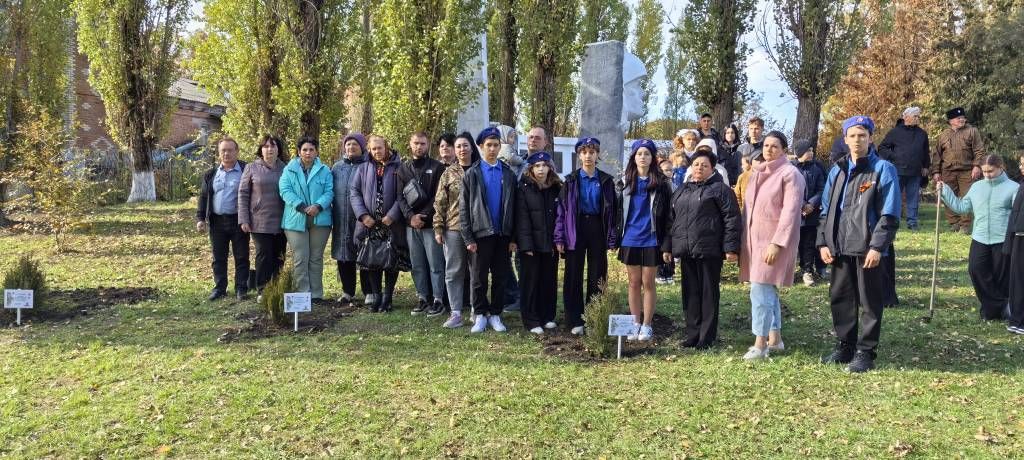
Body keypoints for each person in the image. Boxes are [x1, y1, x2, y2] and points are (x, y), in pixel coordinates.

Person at [818, 116, 901, 373]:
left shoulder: (883, 169)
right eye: (852, 135)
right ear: (845, 139)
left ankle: (865, 352)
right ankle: (845, 346)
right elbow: (825, 210)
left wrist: (877, 247)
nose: (857, 140)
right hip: (839, 247)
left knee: (870, 302)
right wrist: (823, 242)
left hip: (867, 248)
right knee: (841, 298)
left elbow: (889, 213)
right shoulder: (837, 170)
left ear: (870, 138)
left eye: (862, 135)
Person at [664, 149, 741, 348]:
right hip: (686, 249)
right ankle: (693, 334)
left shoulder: (720, 190)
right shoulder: (682, 190)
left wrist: (731, 248)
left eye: (704, 165)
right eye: (696, 164)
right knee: (690, 293)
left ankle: (706, 337)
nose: (699, 168)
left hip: (709, 250)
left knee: (708, 293)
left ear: (712, 169)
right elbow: (671, 220)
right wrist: (668, 247)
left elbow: (732, 219)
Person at [739, 131, 805, 360]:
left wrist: (777, 243)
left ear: (784, 149)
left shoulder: (790, 174)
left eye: (774, 146)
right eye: (766, 145)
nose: (769, 149)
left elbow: (791, 212)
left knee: (760, 291)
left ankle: (760, 344)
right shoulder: (758, 172)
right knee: (767, 290)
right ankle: (775, 339)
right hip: (753, 241)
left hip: (773, 242)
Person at [938, 154, 1018, 321]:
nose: (987, 175)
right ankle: (1001, 306)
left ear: (1001, 168)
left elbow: (1018, 214)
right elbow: (961, 207)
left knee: (1000, 276)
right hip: (980, 237)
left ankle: (993, 311)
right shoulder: (976, 187)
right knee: (975, 270)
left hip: (1003, 239)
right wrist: (945, 191)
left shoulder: (1013, 188)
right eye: (984, 171)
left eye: (991, 171)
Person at [555, 137, 618, 335]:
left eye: (592, 152)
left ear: (597, 154)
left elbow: (612, 211)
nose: (588, 156)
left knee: (597, 274)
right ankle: (575, 320)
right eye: (584, 152)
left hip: (597, 228)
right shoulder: (570, 180)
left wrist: (612, 236)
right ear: (579, 155)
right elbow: (562, 210)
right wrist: (559, 237)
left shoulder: (606, 181)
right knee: (573, 274)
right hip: (576, 227)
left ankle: (593, 318)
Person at [461, 127, 517, 333]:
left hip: (502, 234)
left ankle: (495, 314)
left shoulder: (508, 173)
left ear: (500, 147)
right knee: (478, 278)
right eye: (488, 145)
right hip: (480, 234)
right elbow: (464, 209)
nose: (492, 149)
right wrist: (468, 237)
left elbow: (515, 207)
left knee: (501, 276)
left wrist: (513, 237)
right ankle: (480, 314)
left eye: (496, 145)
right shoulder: (472, 173)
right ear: (481, 147)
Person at [618, 139, 672, 341]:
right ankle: (635, 323)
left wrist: (667, 244)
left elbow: (669, 216)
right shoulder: (624, 182)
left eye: (647, 154)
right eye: (639, 154)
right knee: (633, 282)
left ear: (652, 158)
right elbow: (616, 212)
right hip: (630, 238)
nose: (643, 157)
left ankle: (647, 325)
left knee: (648, 282)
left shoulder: (662, 184)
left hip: (651, 239)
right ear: (634, 157)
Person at [351, 135, 407, 312]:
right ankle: (376, 297)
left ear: (386, 147)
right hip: (370, 223)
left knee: (391, 260)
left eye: (380, 148)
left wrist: (393, 215)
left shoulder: (399, 167)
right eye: (373, 149)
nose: (377, 151)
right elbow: (354, 192)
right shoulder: (363, 168)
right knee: (372, 259)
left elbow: (403, 194)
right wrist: (363, 215)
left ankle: (388, 298)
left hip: (391, 223)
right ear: (369, 149)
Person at [398, 132, 448, 317]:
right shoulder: (403, 169)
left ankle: (438, 299)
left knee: (435, 264)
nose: (419, 147)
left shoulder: (437, 167)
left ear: (428, 145)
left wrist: (423, 216)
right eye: (416, 143)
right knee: (417, 263)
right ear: (410, 144)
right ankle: (422, 297)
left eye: (422, 143)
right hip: (411, 225)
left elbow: (438, 196)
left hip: (430, 225)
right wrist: (411, 217)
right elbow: (400, 197)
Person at [433, 132, 480, 328]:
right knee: (453, 271)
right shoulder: (448, 173)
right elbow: (440, 202)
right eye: (458, 146)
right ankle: (456, 312)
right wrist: (438, 227)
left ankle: (477, 310)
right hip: (453, 228)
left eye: (465, 145)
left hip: (478, 229)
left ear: (472, 148)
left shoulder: (480, 170)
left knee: (476, 271)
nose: (462, 149)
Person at [279, 136, 334, 301]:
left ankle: (316, 295)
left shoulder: (325, 170)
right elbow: (285, 190)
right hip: (295, 219)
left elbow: (329, 191)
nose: (308, 153)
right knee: (300, 257)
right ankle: (302, 296)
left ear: (316, 152)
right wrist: (302, 207)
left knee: (316, 257)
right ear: (299, 151)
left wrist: (318, 206)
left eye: (311, 149)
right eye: (304, 150)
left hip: (320, 218)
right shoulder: (289, 170)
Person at [515, 151, 563, 334]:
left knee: (548, 281)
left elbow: (560, 216)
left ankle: (547, 316)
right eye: (537, 166)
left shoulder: (556, 188)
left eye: (544, 165)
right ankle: (531, 319)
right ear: (531, 169)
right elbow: (522, 218)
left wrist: (558, 240)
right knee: (530, 282)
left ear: (550, 168)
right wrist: (526, 245)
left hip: (550, 244)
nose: (541, 169)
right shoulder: (524, 188)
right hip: (531, 245)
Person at [197, 137, 250, 301]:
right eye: (223, 150)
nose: (226, 153)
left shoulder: (246, 170)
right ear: (219, 153)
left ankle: (241, 288)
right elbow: (203, 197)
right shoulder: (211, 174)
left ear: (237, 151)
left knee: (241, 256)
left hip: (239, 221)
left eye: (230, 150)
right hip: (217, 221)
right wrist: (200, 218)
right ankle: (220, 288)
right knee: (218, 257)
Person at [238, 135, 287, 302]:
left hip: (282, 220)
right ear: (261, 149)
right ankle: (262, 289)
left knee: (279, 255)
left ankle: (277, 287)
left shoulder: (286, 168)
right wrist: (244, 219)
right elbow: (243, 194)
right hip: (259, 221)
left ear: (278, 149)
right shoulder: (251, 167)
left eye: (273, 146)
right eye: (266, 146)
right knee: (263, 254)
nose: (269, 149)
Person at [931, 107, 986, 233]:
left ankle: (965, 225)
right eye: (958, 118)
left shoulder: (972, 131)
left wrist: (977, 166)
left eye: (963, 118)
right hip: (947, 171)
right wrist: (936, 171)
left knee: (967, 198)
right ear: (951, 121)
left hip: (967, 171)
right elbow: (937, 155)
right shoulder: (943, 135)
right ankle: (954, 223)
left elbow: (979, 150)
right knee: (947, 196)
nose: (962, 120)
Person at [331, 133, 370, 307]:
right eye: (348, 144)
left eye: (355, 144)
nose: (351, 147)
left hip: (363, 217)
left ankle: (369, 291)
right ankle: (347, 291)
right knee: (343, 253)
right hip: (341, 216)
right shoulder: (337, 167)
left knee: (365, 253)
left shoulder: (368, 165)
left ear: (362, 147)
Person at [878, 107, 931, 230]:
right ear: (906, 117)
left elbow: (926, 152)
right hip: (898, 171)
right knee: (894, 197)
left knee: (913, 199)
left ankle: (912, 223)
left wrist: (926, 166)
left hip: (916, 171)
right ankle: (891, 221)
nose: (917, 118)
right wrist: (895, 157)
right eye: (915, 116)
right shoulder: (895, 132)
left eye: (918, 116)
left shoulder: (922, 134)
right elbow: (882, 148)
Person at [792, 139, 827, 286]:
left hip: (812, 213)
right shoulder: (791, 168)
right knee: (793, 244)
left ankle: (807, 270)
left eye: (812, 150)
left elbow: (822, 188)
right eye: (808, 150)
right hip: (794, 213)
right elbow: (789, 190)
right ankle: (788, 271)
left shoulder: (816, 168)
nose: (811, 153)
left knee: (809, 242)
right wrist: (801, 205)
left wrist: (811, 204)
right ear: (800, 152)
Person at [1004, 153, 1024, 335]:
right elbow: (1015, 212)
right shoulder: (1022, 185)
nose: (1021, 168)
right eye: (1021, 164)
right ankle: (1017, 320)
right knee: (1017, 280)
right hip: (1018, 236)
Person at [656, 158, 677, 285]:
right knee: (660, 247)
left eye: (670, 170)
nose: (668, 172)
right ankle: (660, 273)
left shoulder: (674, 185)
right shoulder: (658, 185)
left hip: (671, 219)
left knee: (670, 247)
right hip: (660, 220)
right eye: (666, 170)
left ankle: (670, 272)